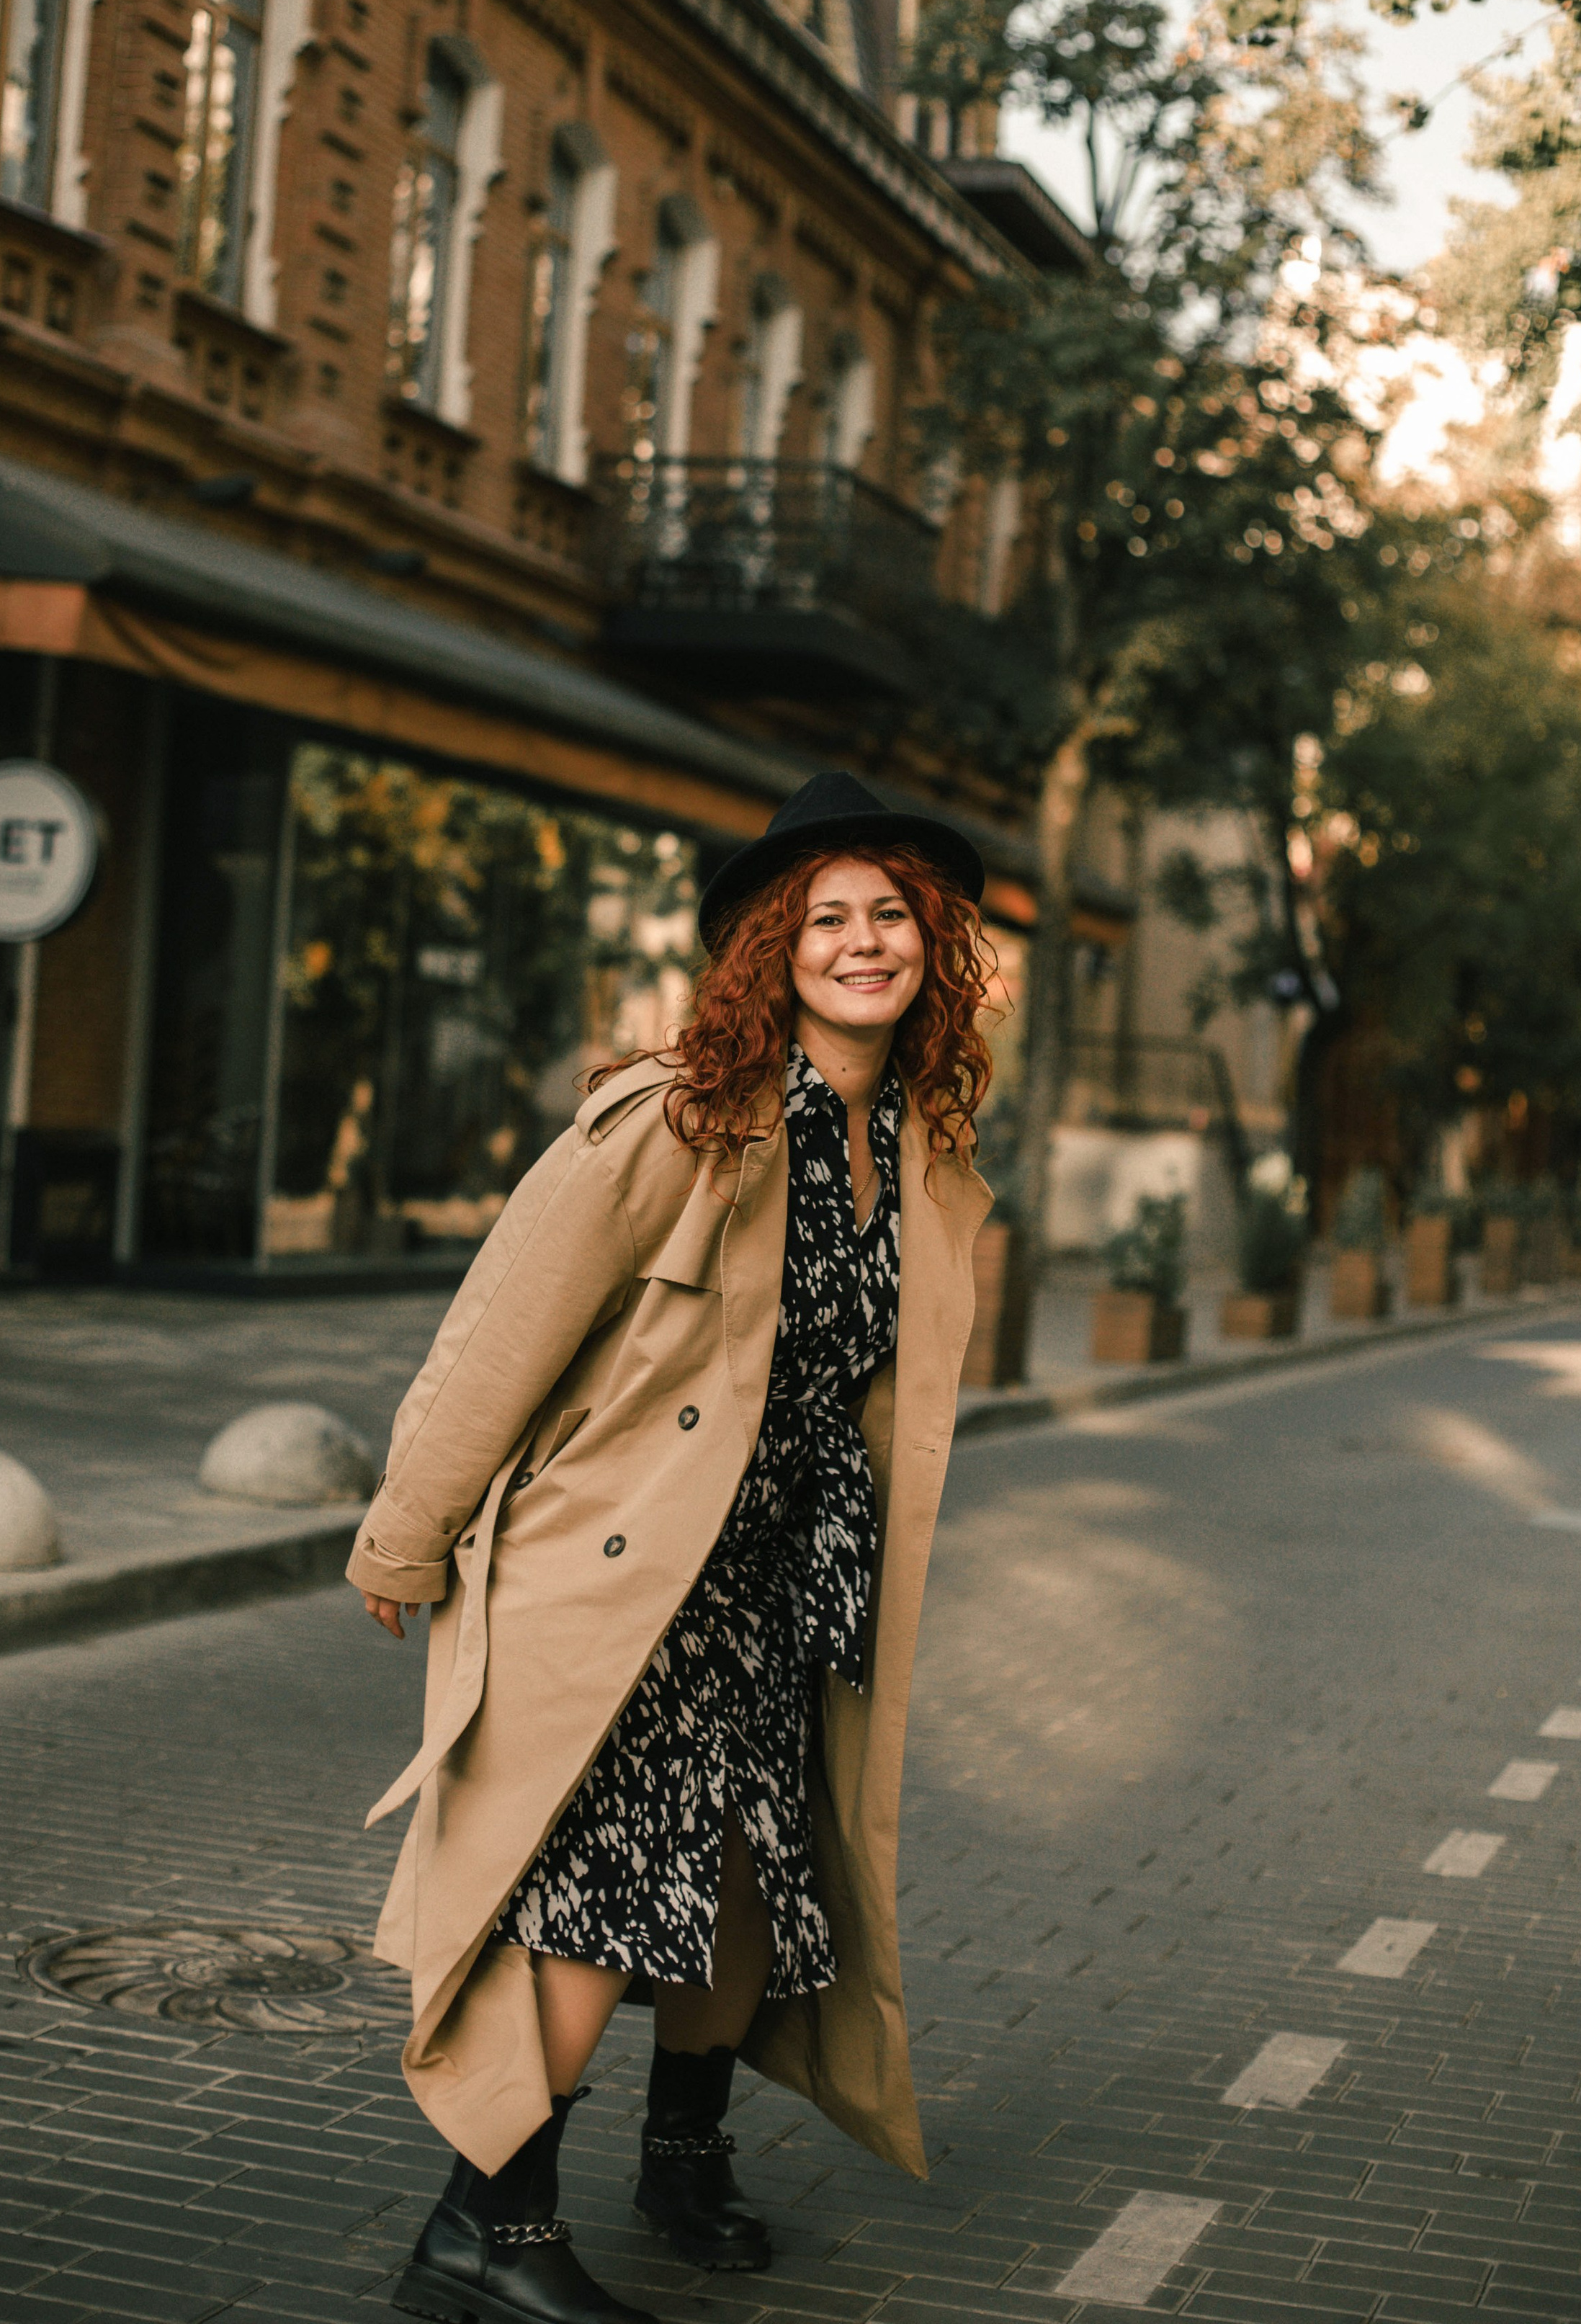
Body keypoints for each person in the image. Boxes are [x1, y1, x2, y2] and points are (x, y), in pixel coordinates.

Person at [347, 771, 997, 2324]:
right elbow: (504, 1326)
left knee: (742, 1881)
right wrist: (404, 1532)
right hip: (630, 1578)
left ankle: (679, 2156)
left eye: (888, 916)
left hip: (780, 1590)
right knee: (603, 1885)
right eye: (825, 917)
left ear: (930, 947)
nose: (860, 943)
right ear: (770, 945)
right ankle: (486, 2231)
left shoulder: (912, 1142)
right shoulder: (678, 1117)